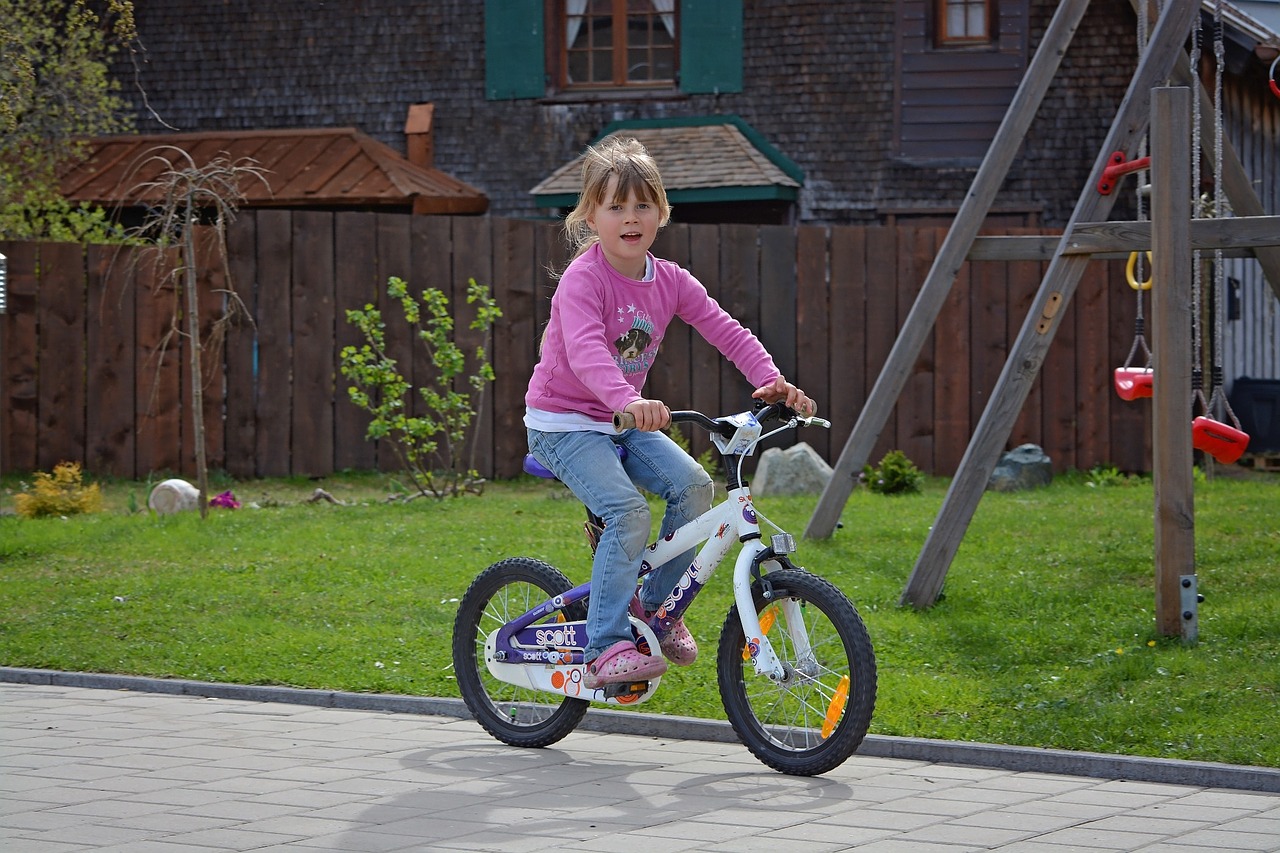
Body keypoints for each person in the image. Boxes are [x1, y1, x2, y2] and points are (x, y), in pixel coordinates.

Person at [524, 136, 816, 689]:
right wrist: (628, 401)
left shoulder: (670, 280)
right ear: (590, 216)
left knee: (695, 486)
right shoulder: (584, 281)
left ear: (661, 211)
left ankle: (657, 611)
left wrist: (770, 380)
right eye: (615, 206)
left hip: (621, 419)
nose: (630, 218)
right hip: (563, 423)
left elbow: (725, 329)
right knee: (629, 513)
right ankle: (605, 644)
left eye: (642, 205)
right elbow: (586, 352)